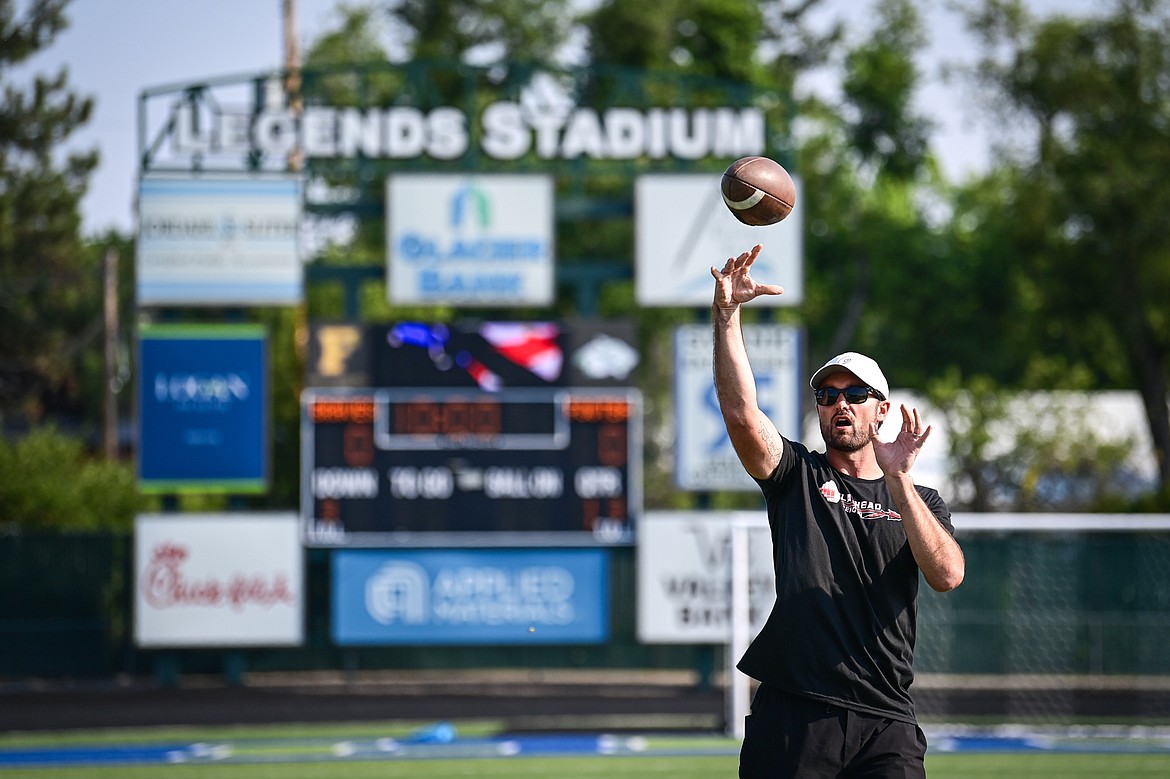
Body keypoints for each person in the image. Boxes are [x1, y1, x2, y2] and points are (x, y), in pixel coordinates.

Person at [710, 244, 965, 778]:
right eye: (827, 394)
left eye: (855, 393)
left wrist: (899, 479)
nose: (840, 403)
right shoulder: (796, 475)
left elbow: (946, 575)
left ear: (882, 409)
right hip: (796, 713)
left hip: (886, 719)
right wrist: (728, 316)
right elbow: (739, 414)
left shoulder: (920, 501)